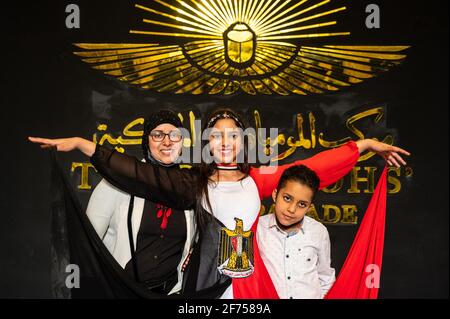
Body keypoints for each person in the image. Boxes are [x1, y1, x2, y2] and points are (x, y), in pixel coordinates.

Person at [29, 108, 410, 298]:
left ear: (243, 141)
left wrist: (364, 146)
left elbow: (310, 167)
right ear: (207, 142)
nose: (225, 142)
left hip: (249, 289)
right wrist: (85, 146)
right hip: (202, 291)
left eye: (233, 135)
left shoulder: (257, 181)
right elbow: (141, 174)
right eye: (216, 136)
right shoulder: (192, 182)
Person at [85, 110, 196, 295]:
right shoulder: (117, 181)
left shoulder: (190, 187)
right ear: (146, 141)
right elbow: (88, 242)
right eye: (158, 135)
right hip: (120, 291)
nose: (167, 142)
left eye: (174, 135)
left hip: (171, 293)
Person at [257, 165, 333, 299]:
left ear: (309, 207)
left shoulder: (319, 231)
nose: (292, 209)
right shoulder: (258, 229)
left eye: (302, 204)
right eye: (287, 198)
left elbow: (325, 277)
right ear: (275, 195)